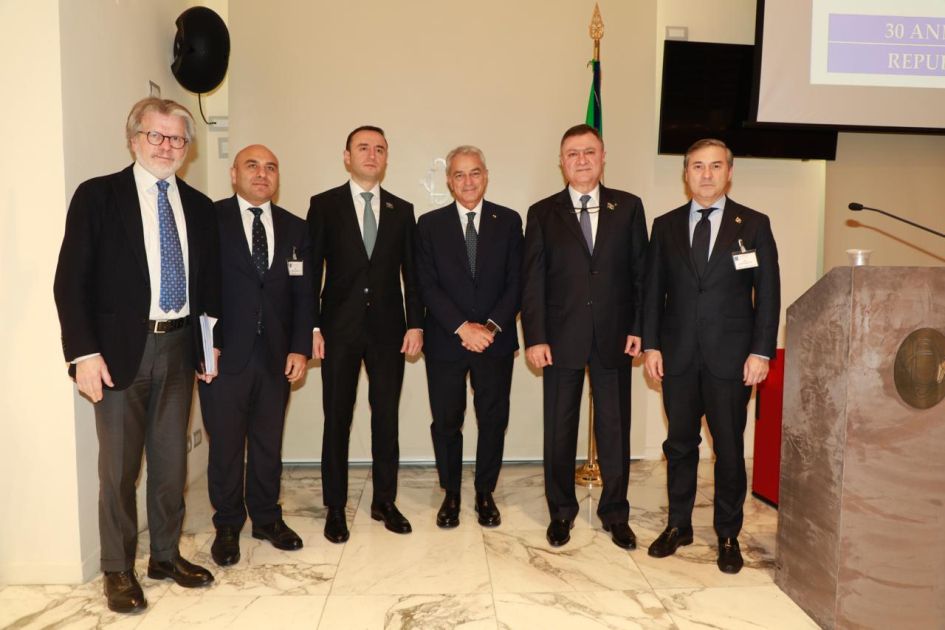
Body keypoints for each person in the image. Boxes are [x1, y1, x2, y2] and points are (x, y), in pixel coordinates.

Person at [53, 97, 220, 613]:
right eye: (156, 135)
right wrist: (83, 353)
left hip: (179, 348)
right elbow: (70, 281)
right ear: (133, 140)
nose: (167, 146)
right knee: (119, 471)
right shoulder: (98, 196)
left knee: (170, 465)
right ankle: (118, 568)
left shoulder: (199, 206)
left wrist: (208, 346)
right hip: (118, 353)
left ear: (188, 147)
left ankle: (165, 556)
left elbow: (209, 285)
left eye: (177, 138)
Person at [642, 138, 780, 574]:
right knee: (679, 445)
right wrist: (651, 345)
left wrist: (761, 352)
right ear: (686, 174)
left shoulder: (753, 224)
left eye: (715, 166)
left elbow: (768, 294)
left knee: (729, 449)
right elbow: (652, 293)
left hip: (732, 360)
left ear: (729, 172)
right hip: (678, 357)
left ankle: (727, 534)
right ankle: (678, 525)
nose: (706, 174)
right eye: (698, 166)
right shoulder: (665, 226)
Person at [521, 124, 648, 549]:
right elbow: (533, 282)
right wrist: (535, 337)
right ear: (561, 162)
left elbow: (641, 275)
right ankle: (561, 512)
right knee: (559, 430)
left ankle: (615, 514)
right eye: (572, 153)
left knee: (615, 429)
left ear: (603, 156)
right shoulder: (542, 213)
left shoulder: (628, 207)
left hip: (616, 337)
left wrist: (639, 328)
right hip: (560, 339)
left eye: (589, 152)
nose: (581, 160)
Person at [199, 144, 314, 567]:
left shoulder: (296, 228)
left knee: (268, 444)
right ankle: (228, 524)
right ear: (234, 174)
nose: (262, 174)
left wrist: (300, 347)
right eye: (252, 166)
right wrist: (204, 348)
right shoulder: (209, 220)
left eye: (271, 167)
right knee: (226, 446)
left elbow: (305, 294)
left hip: (276, 357)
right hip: (224, 354)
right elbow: (199, 287)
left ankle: (266, 518)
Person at [307, 125, 424, 543]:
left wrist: (416, 324)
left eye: (379, 149)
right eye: (363, 148)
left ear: (386, 158)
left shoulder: (402, 210)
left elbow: (413, 275)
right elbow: (310, 273)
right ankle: (335, 507)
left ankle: (384, 502)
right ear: (347, 156)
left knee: (386, 417)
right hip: (338, 331)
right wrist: (312, 326)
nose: (371, 155)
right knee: (336, 418)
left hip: (390, 332)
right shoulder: (324, 205)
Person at [415, 145, 523, 528]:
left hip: (495, 340)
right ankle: (451, 493)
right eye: (459, 174)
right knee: (447, 420)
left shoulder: (508, 221)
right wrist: (463, 328)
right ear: (449, 181)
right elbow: (426, 285)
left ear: (486, 175)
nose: (468, 181)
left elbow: (516, 282)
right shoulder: (429, 224)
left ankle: (484, 492)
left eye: (475, 172)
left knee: (493, 418)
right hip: (447, 340)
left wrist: (489, 328)